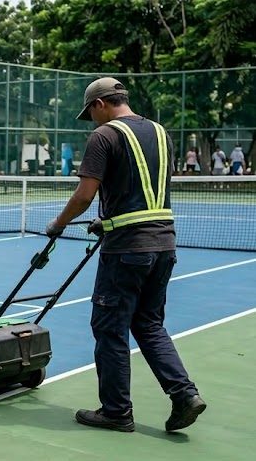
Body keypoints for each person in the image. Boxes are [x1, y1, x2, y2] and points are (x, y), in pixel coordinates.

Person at [45, 77, 205, 433]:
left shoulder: (104, 136)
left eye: (90, 113)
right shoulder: (161, 132)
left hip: (127, 251)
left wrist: (58, 224)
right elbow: (141, 191)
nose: (91, 120)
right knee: (149, 324)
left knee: (109, 328)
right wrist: (108, 221)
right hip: (164, 246)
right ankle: (184, 395)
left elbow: (85, 195)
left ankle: (116, 412)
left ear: (100, 104)